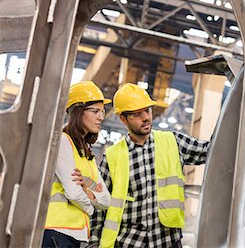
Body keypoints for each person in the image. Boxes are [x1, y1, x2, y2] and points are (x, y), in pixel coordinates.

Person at [90, 83, 210, 248]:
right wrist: (94, 244)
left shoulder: (173, 142)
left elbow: (210, 150)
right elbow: (99, 207)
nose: (146, 117)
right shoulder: (112, 157)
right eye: (137, 114)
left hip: (167, 241)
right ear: (123, 119)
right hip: (129, 243)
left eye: (147, 110)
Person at [42, 81, 112, 248]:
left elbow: (107, 199)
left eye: (102, 112)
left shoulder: (86, 151)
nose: (100, 117)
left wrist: (89, 193)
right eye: (95, 111)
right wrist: (91, 208)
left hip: (75, 233)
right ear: (78, 112)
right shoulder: (63, 142)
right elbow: (73, 193)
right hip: (56, 230)